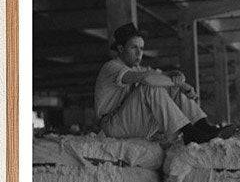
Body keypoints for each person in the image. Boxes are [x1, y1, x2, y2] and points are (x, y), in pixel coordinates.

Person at [95, 22, 231, 144]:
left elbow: (159, 75)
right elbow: (148, 79)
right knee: (150, 87)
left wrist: (177, 78)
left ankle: (203, 126)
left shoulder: (136, 68)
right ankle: (190, 132)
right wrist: (179, 84)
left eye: (141, 49)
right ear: (120, 49)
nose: (139, 53)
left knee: (168, 87)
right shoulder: (111, 67)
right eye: (133, 48)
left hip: (130, 122)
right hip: (112, 125)